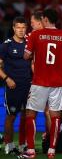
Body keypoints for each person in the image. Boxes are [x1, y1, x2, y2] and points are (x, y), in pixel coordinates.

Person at [23, 8, 62, 159]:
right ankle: (52, 150)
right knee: (55, 116)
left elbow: (26, 56)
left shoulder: (35, 35)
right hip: (57, 83)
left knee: (30, 115)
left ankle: (31, 150)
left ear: (45, 19)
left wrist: (33, 52)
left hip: (39, 81)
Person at [0, 17, 32, 155]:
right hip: (13, 86)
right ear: (13, 28)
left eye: (23, 27)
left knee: (26, 116)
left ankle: (22, 145)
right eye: (18, 27)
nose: (21, 30)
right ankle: (8, 145)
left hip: (28, 86)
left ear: (26, 29)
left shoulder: (30, 43)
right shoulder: (6, 45)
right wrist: (7, 79)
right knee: (11, 116)